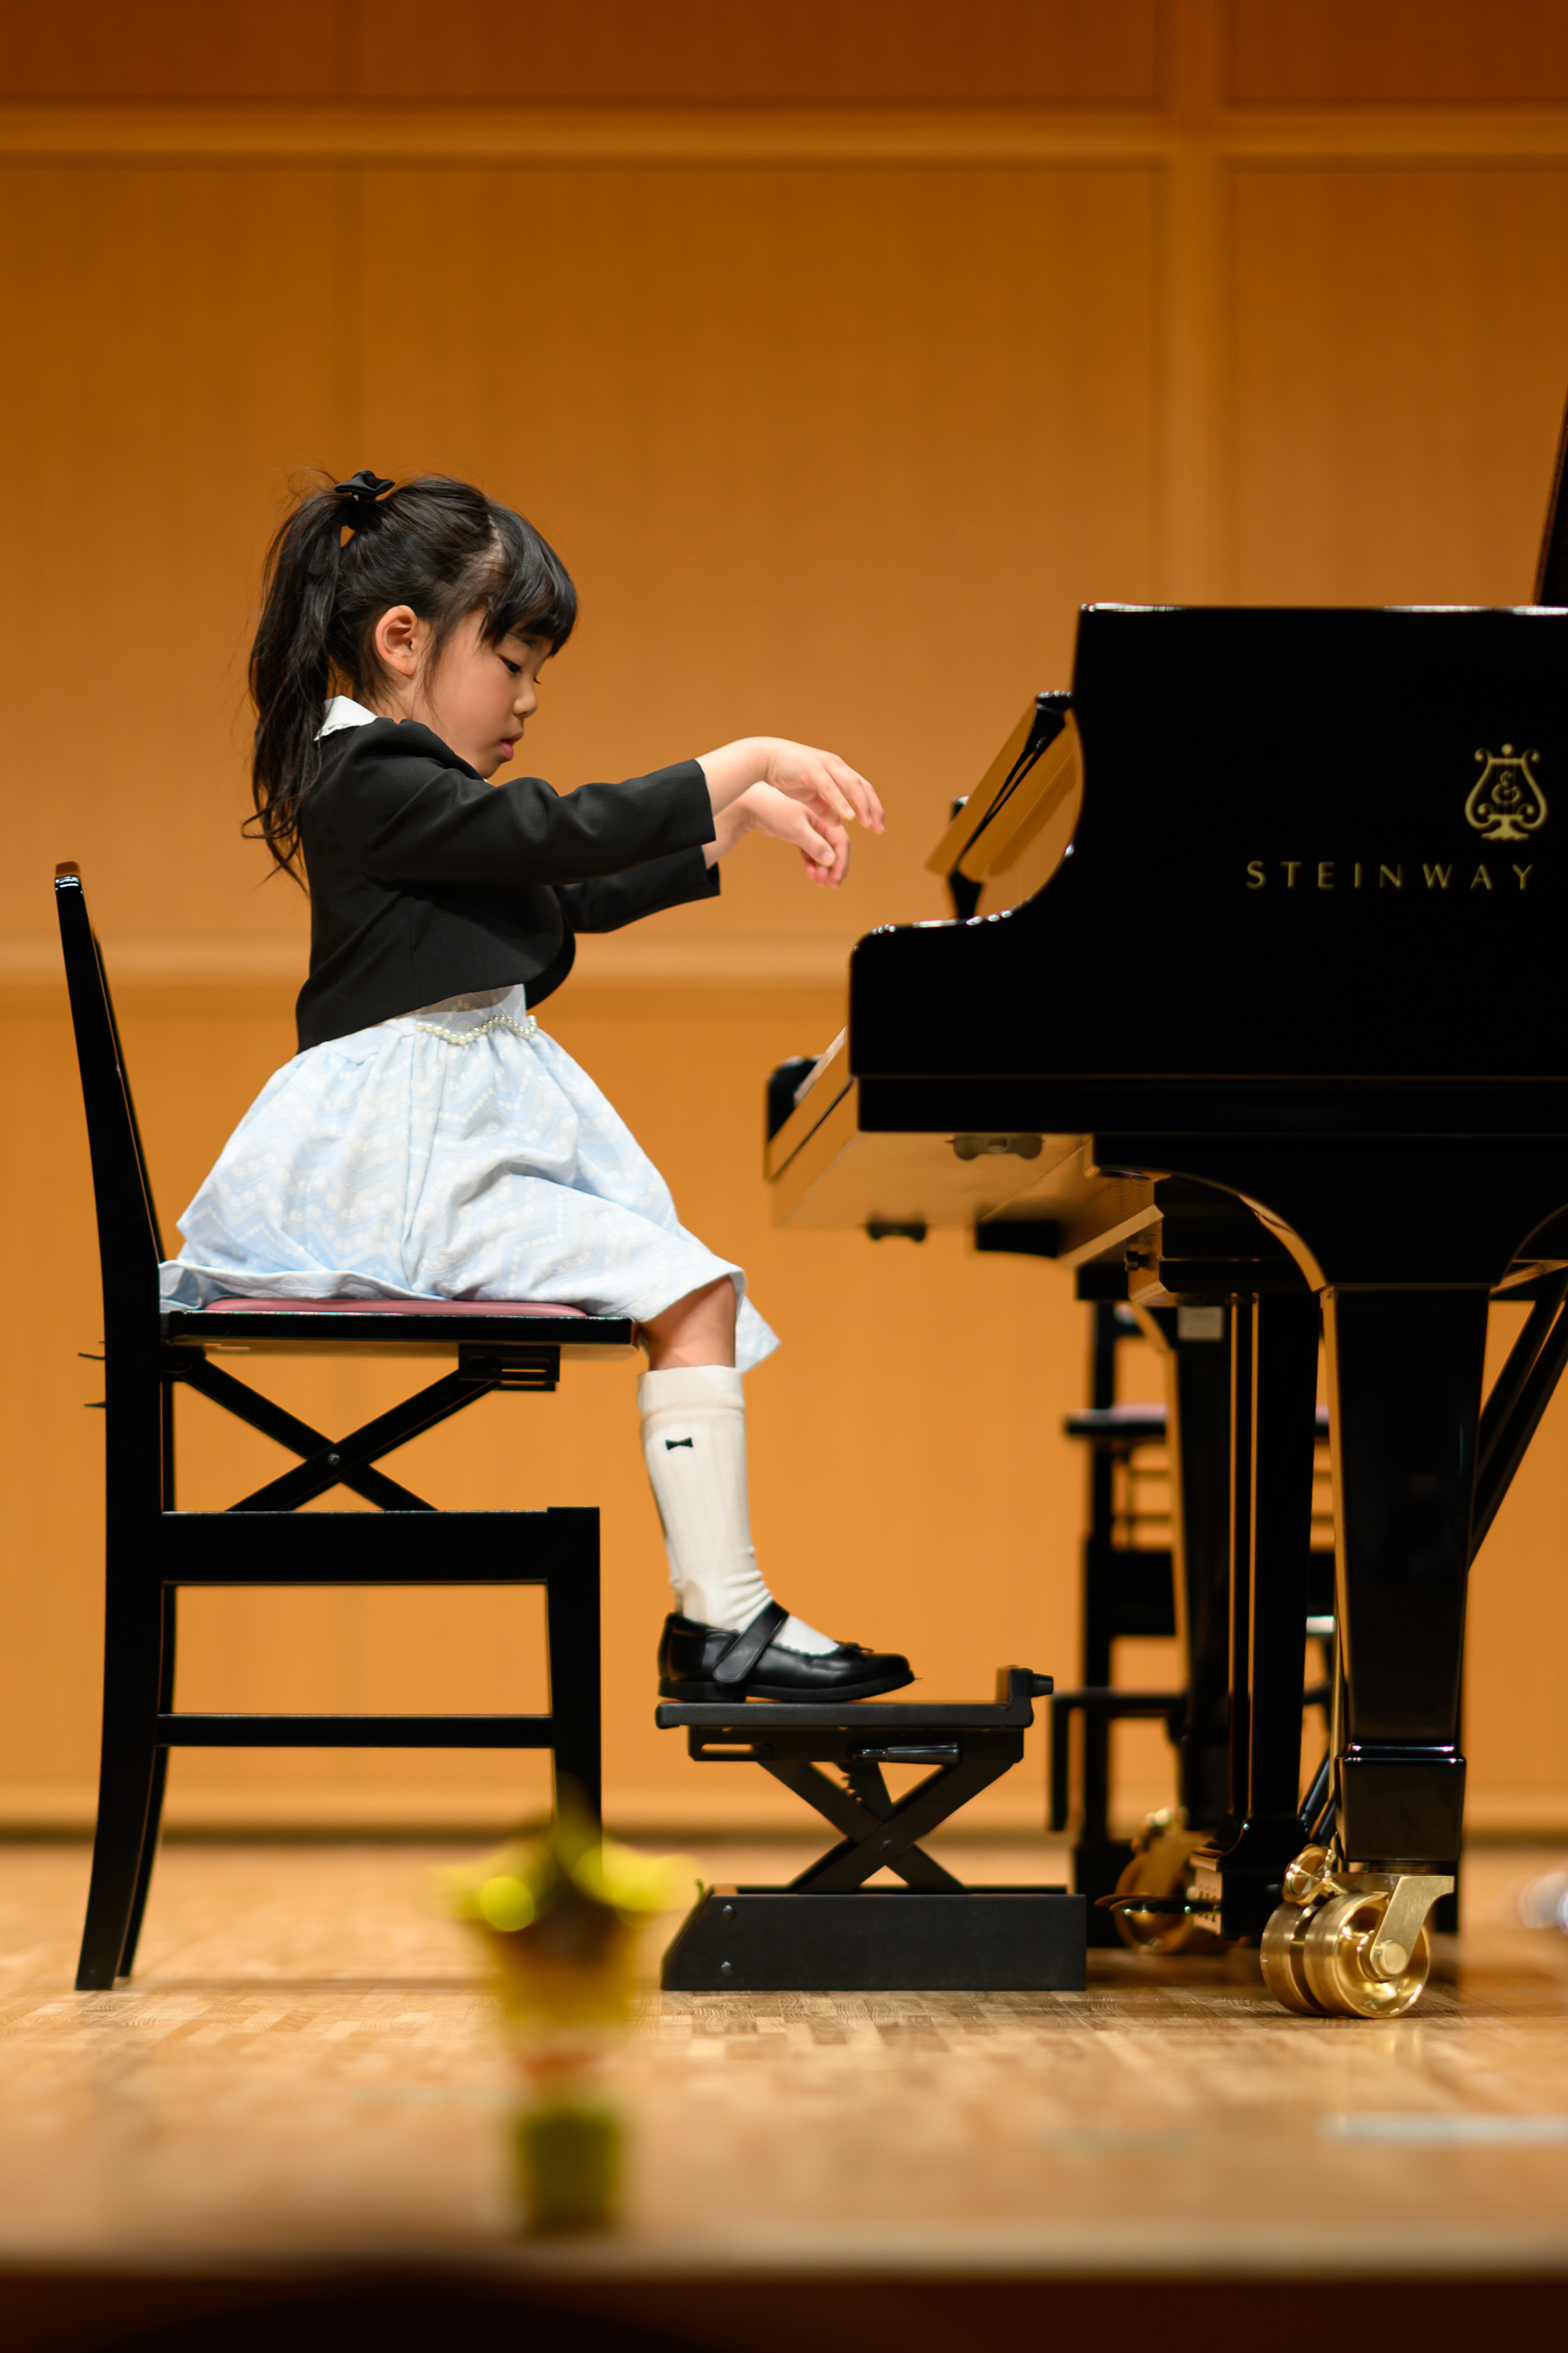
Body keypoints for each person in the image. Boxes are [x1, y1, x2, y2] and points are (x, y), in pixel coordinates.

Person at [160, 469, 915, 1704]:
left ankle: (724, 1622)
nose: (524, 699)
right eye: (510, 663)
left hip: (437, 1150)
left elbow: (561, 890)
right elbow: (552, 837)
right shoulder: (366, 777)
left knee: (692, 1289)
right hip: (402, 1174)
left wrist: (738, 820)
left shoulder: (412, 794)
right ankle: (724, 1625)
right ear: (401, 641)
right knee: (690, 1286)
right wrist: (743, 758)